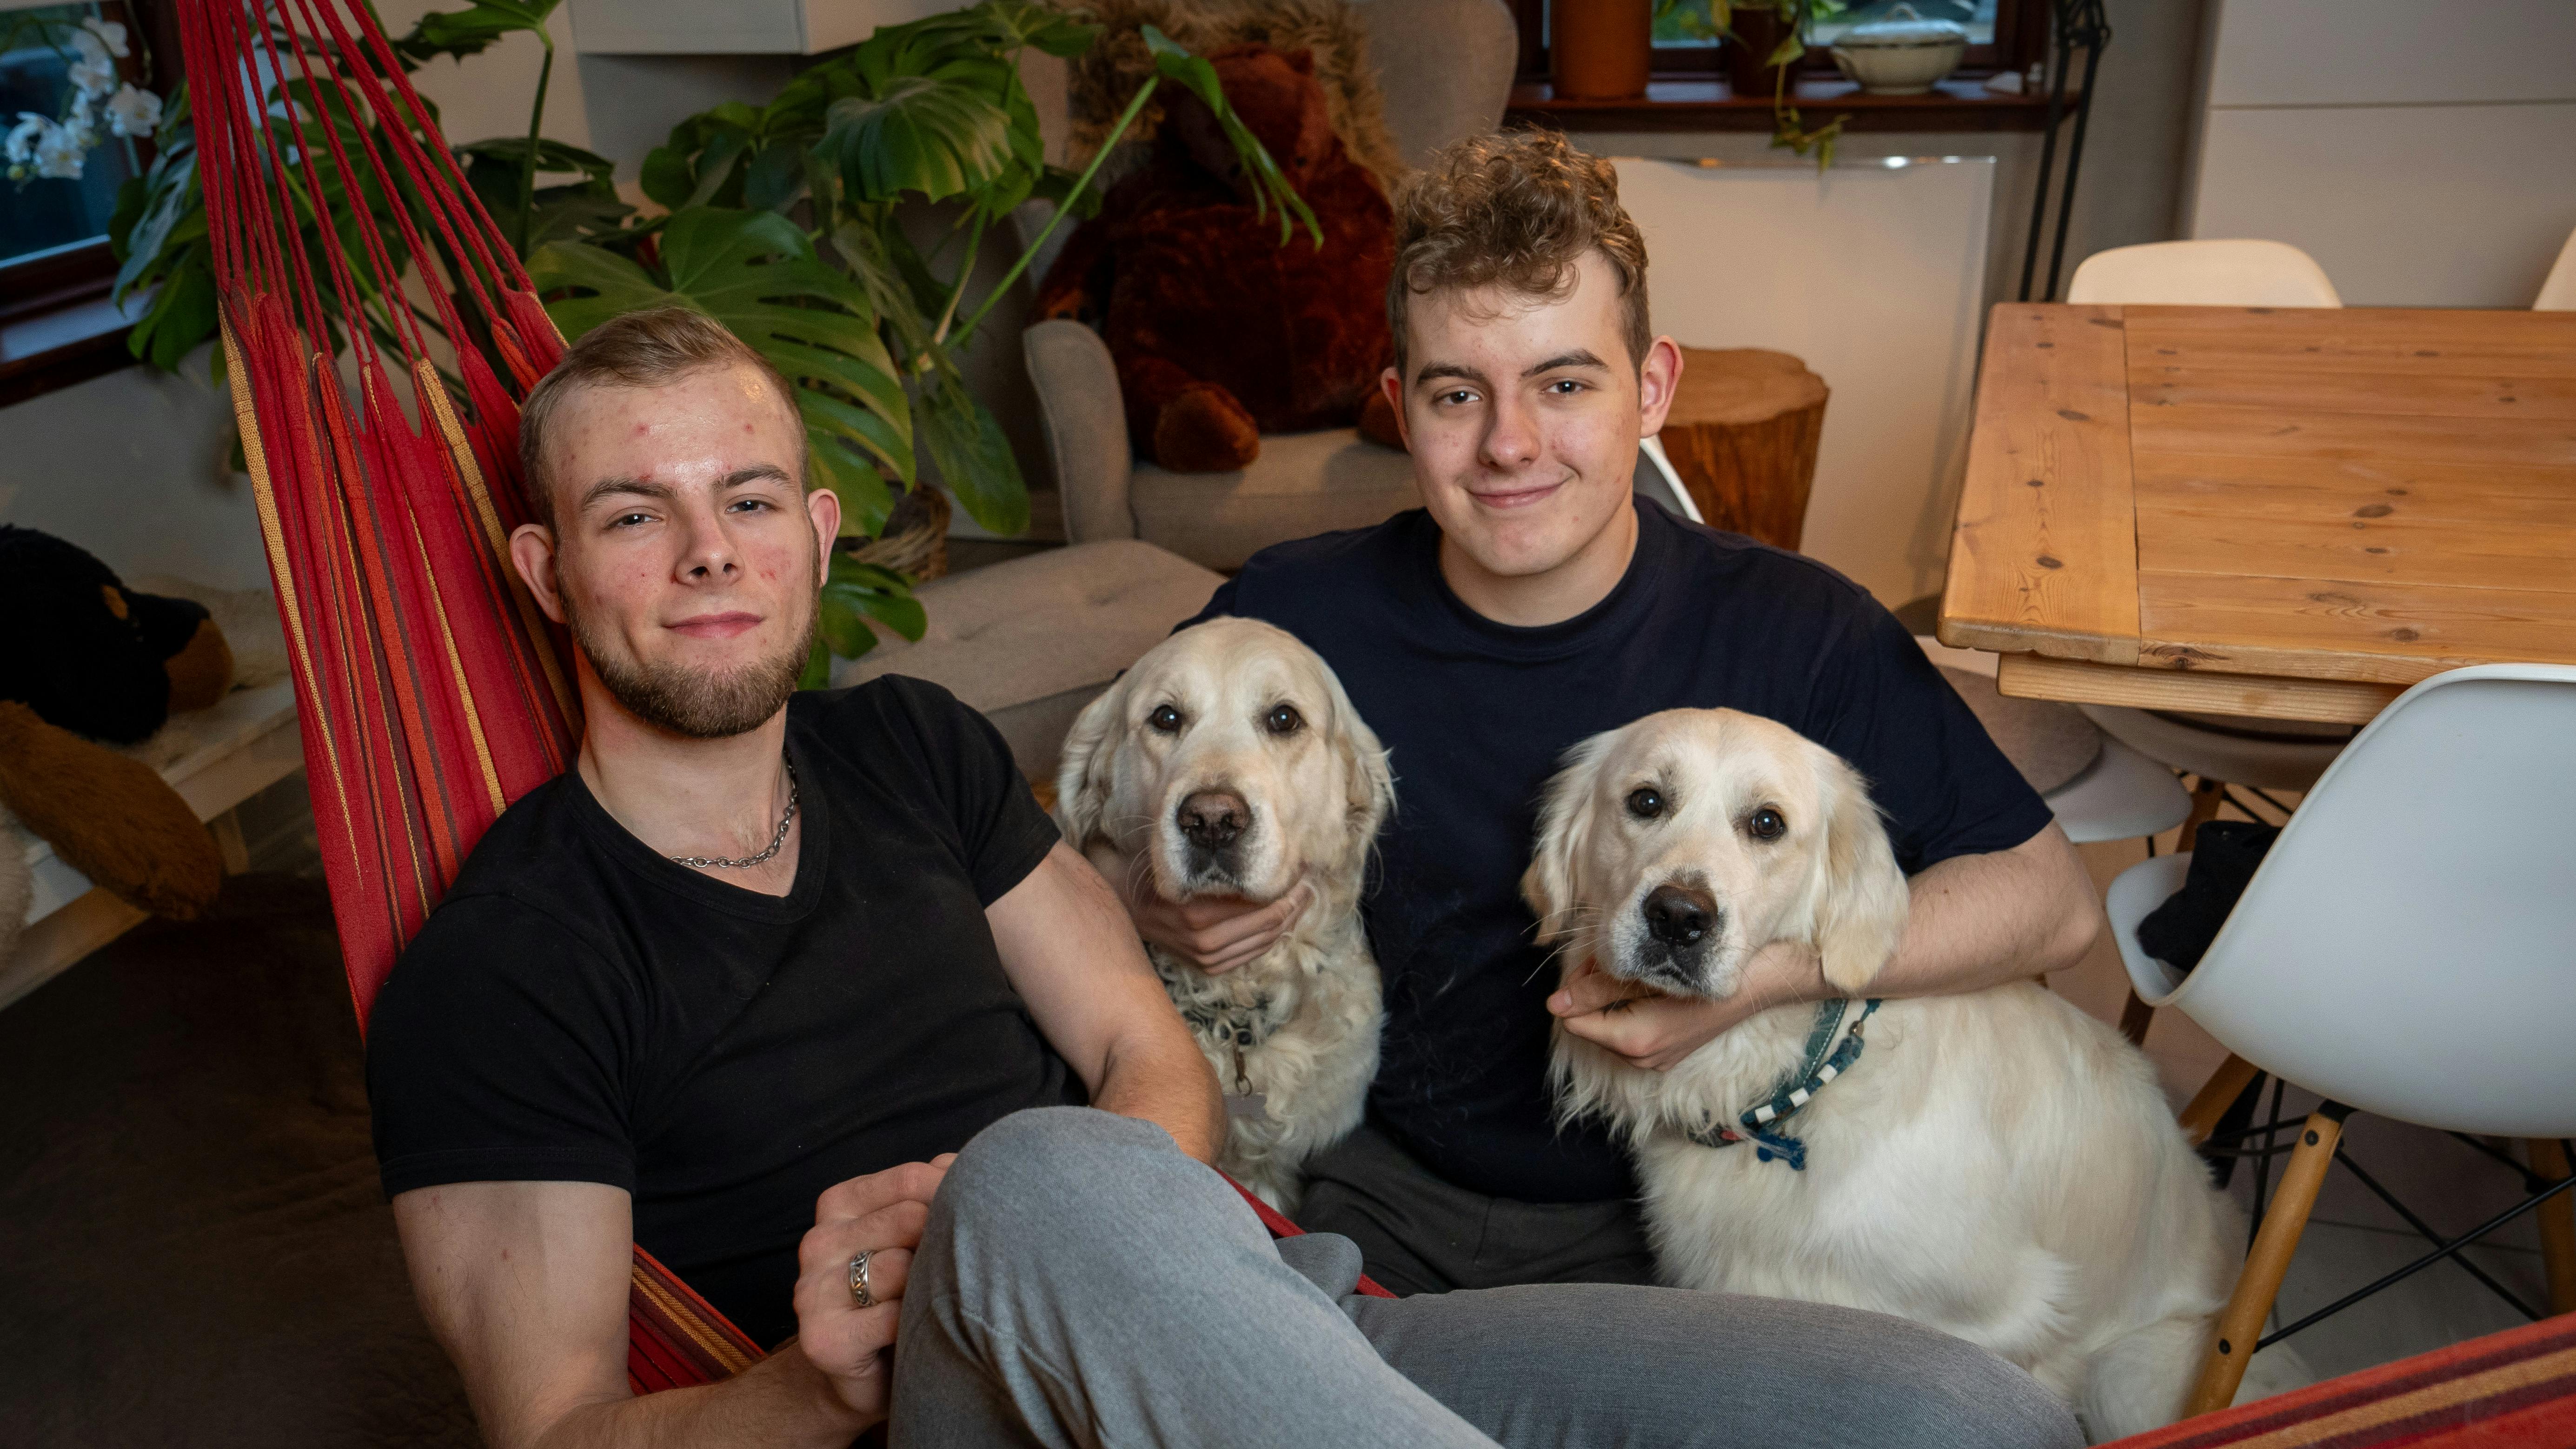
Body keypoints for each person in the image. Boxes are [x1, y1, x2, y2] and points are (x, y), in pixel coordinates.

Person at [365, 308, 2081, 1447]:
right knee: (1034, 1173)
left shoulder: (919, 751)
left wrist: (1152, 1251)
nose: (710, 550)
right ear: (542, 567)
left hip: (1248, 1316)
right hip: (948, 1404)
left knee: (1952, 1411)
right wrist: (798, 1386)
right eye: (633, 515)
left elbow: (1153, 1055)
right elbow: (559, 1428)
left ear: (816, 536)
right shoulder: (504, 962)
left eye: (746, 497)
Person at [1140, 130, 2106, 1296]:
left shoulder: (1804, 633)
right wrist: (1150, 896)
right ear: (1399, 408)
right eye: (1458, 393)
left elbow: (2047, 902)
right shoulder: (1292, 618)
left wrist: (1759, 975)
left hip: (1682, 1210)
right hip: (1368, 1173)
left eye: (1563, 384)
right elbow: (1080, 825)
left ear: (1650, 390)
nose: (1508, 444)